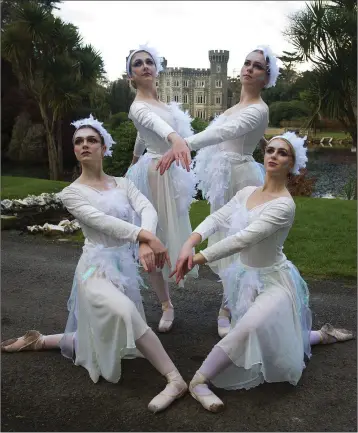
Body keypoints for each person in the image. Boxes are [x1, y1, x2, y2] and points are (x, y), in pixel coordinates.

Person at [1, 115, 188, 413]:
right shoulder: (71, 193)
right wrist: (143, 236)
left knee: (104, 334)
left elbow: (147, 208)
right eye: (78, 141)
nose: (84, 144)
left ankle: (38, 341)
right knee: (125, 312)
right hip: (92, 267)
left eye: (91, 140)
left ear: (103, 147)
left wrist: (144, 239)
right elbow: (103, 222)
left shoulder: (124, 184)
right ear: (75, 151)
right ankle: (175, 379)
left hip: (122, 265)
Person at [170, 131, 354, 412]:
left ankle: (198, 381)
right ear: (264, 155)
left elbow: (244, 238)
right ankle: (320, 335)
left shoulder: (284, 205)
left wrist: (195, 259)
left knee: (251, 328)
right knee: (270, 339)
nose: (274, 156)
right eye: (271, 150)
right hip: (244, 278)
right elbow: (218, 217)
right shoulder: (246, 193)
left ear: (291, 164)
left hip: (273, 281)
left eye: (283, 153)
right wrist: (190, 241)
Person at [157, 46, 280, 338]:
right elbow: (240, 130)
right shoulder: (236, 107)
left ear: (266, 77)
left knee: (239, 241)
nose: (249, 68)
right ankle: (232, 301)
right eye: (247, 63)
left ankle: (229, 307)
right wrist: (264, 143)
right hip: (222, 180)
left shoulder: (259, 108)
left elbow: (221, 133)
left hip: (240, 179)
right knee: (222, 239)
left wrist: (182, 144)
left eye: (258, 66)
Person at [125, 44, 198, 333]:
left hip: (171, 174)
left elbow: (143, 136)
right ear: (131, 75)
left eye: (149, 62)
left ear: (157, 69)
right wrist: (174, 138)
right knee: (151, 238)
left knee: (171, 233)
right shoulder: (137, 106)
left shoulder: (165, 105)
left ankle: (171, 286)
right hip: (154, 174)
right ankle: (165, 304)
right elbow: (150, 124)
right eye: (137, 64)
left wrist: (132, 159)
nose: (144, 66)